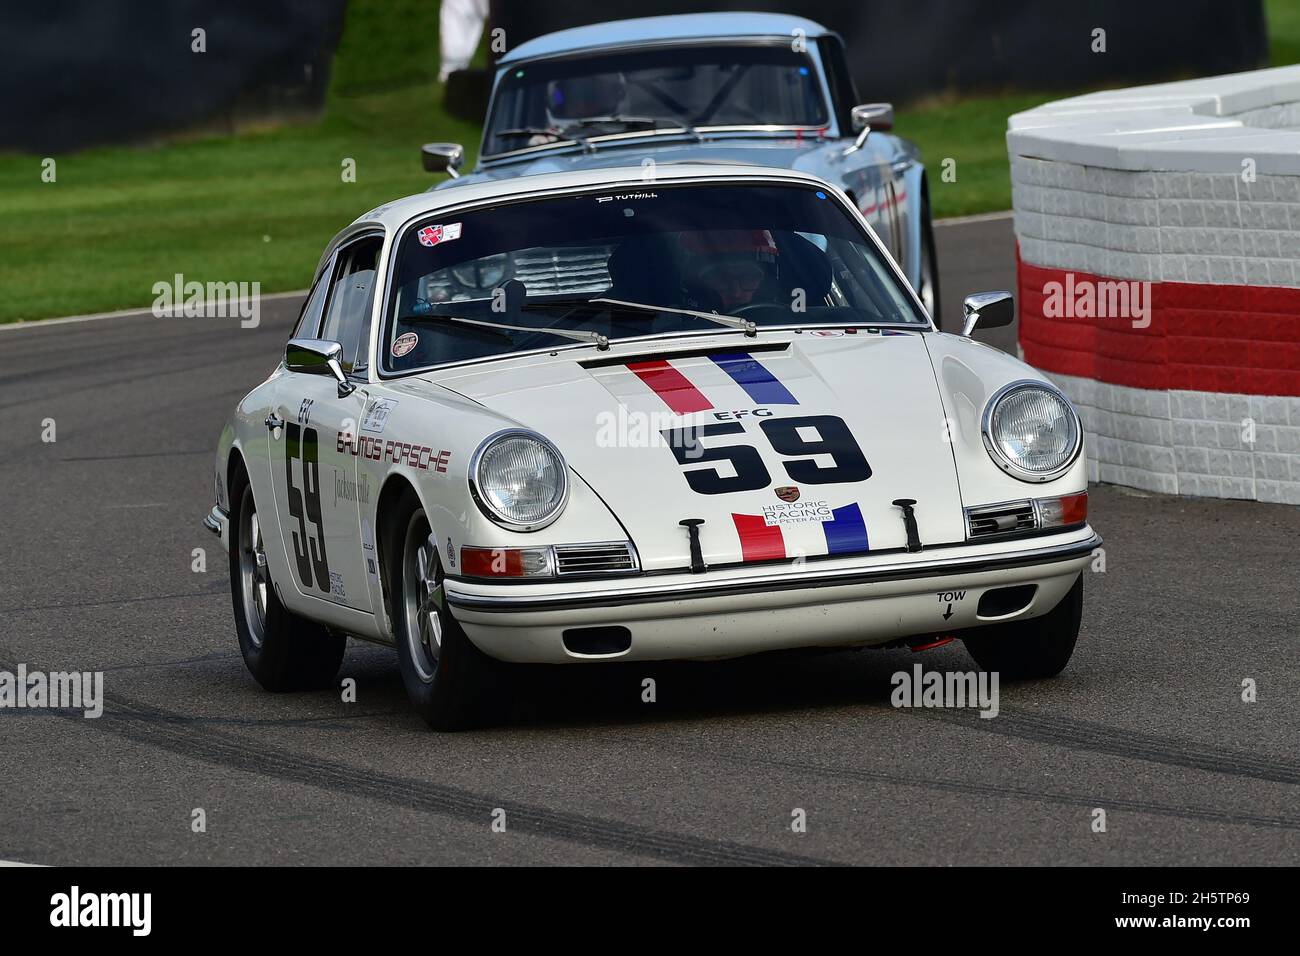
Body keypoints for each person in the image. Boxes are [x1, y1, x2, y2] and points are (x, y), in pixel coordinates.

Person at [679, 230, 781, 311]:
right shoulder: (669, 327)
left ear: (764, 281)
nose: (736, 293)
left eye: (748, 278)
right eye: (722, 278)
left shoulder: (791, 320)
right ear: (696, 282)